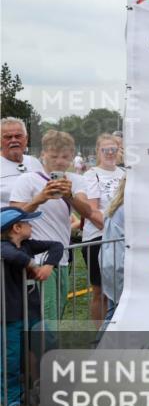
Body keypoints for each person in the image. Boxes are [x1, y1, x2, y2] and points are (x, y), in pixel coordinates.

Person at [2, 207, 62, 406]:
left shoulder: (27, 245)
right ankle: (12, 404)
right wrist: (30, 263)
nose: (32, 226)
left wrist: (48, 265)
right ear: (16, 228)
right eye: (27, 223)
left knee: (48, 346)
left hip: (33, 313)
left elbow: (57, 246)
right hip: (9, 317)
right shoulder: (5, 247)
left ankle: (49, 393)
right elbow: (7, 253)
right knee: (11, 360)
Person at [9, 130, 100, 269]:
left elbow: (88, 212)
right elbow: (13, 216)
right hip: (34, 258)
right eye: (54, 156)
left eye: (64, 157)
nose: (59, 161)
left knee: (60, 291)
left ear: (71, 157)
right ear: (43, 154)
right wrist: (39, 199)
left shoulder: (76, 180)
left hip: (61, 256)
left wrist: (69, 196)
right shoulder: (27, 179)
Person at [81, 134, 125, 321]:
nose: (109, 153)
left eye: (113, 149)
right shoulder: (91, 175)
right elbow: (92, 211)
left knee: (121, 291)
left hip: (122, 239)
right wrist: (111, 229)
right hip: (98, 238)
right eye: (105, 149)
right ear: (98, 151)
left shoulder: (125, 173)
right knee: (100, 292)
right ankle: (99, 339)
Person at [100, 178, 126, 325]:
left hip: (110, 261)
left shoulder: (115, 205)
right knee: (115, 314)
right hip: (120, 263)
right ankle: (100, 346)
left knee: (113, 311)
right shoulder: (126, 208)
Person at [1, 117, 44, 208]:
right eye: (8, 137)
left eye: (18, 136)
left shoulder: (34, 162)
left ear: (26, 138)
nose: (13, 140)